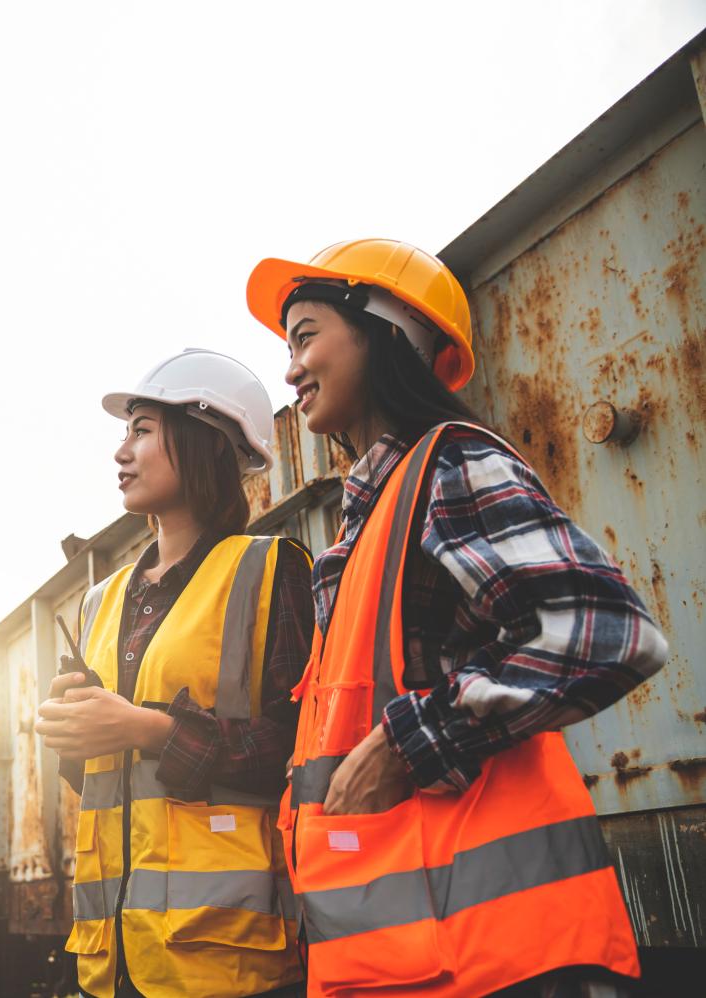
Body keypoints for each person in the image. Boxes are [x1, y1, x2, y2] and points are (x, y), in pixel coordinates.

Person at [246, 239, 668, 997]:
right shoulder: (365, 521)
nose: (290, 368)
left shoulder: (451, 464)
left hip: (503, 957)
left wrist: (408, 746)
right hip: (408, 953)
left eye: (306, 336)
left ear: (385, 330)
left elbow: (608, 632)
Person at [37, 349, 312, 998]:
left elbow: (301, 748)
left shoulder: (271, 571)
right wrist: (73, 732)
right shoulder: (100, 601)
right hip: (114, 957)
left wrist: (152, 730)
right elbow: (104, 784)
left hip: (227, 955)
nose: (120, 453)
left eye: (141, 430)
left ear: (204, 439)